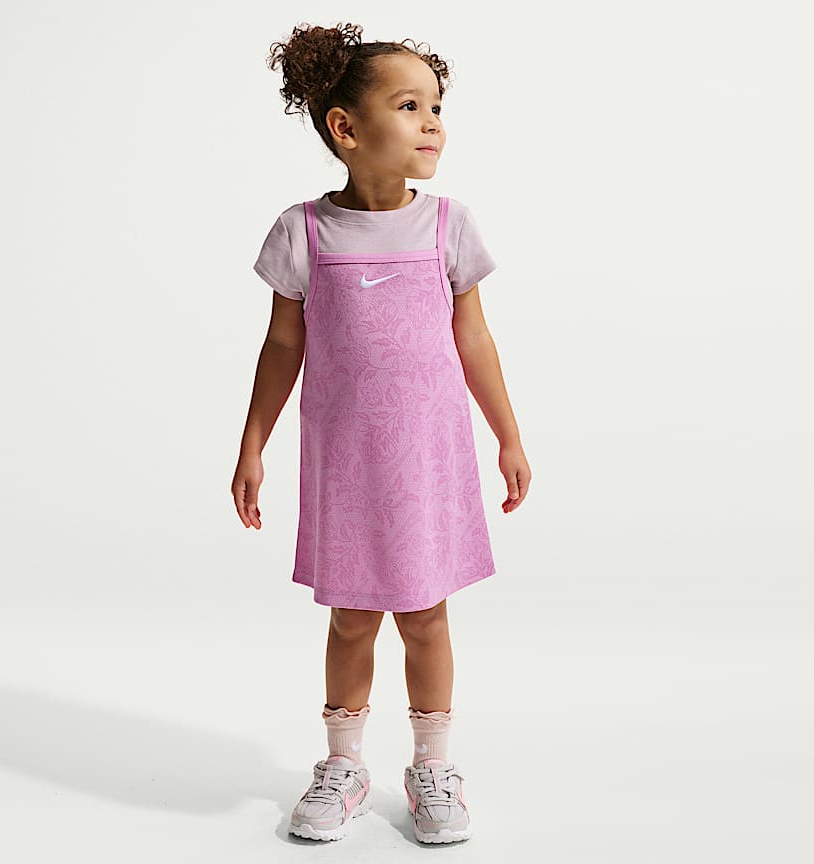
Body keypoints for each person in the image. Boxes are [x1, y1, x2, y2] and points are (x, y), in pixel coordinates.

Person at [231, 21, 531, 844]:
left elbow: (474, 339)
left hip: (427, 465)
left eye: (436, 107)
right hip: (346, 467)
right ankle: (345, 765)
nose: (433, 122)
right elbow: (282, 346)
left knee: (426, 615)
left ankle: (433, 767)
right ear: (346, 128)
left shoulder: (448, 227)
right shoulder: (304, 232)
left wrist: (507, 436)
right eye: (409, 106)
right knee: (353, 617)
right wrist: (253, 444)